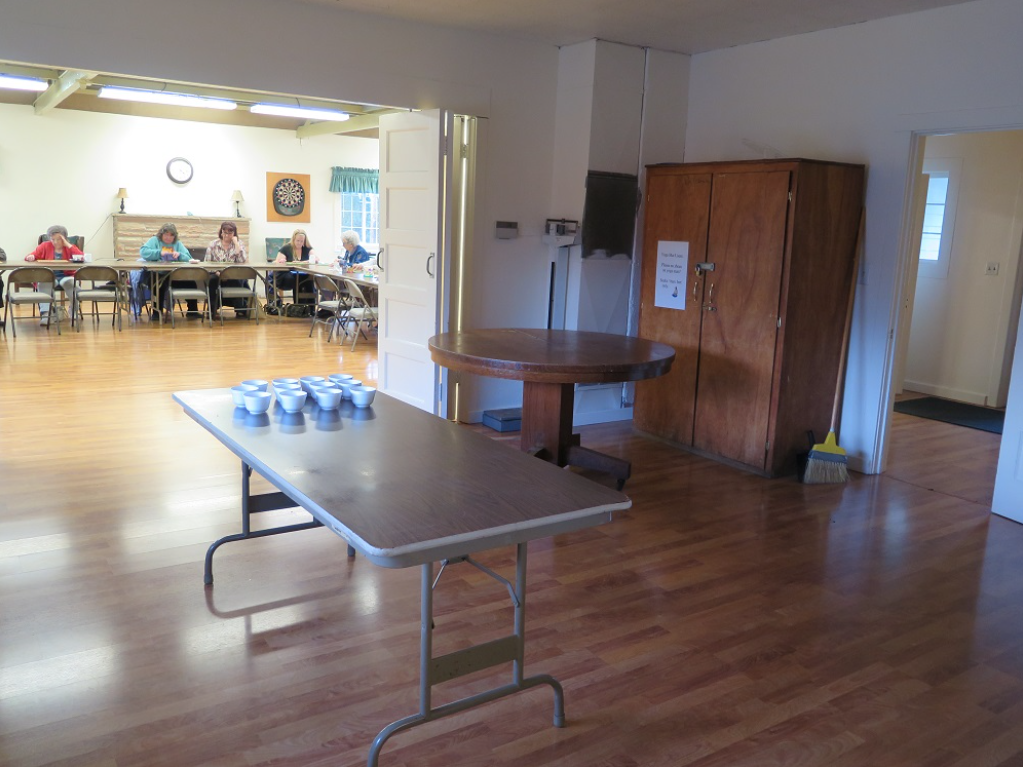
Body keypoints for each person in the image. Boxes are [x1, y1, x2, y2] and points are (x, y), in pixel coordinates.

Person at [25, 225, 84, 325]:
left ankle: (74, 310)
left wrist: (68, 245)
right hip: (50, 277)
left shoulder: (69, 247)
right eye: (53, 239)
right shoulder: (45, 246)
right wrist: (31, 257)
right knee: (43, 283)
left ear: (64, 238)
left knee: (71, 283)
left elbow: (82, 257)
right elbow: (30, 255)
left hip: (66, 276)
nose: (55, 242)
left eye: (59, 239)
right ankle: (46, 314)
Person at [140, 223, 198, 320]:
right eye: (166, 234)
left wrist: (179, 255)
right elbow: (143, 252)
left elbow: (189, 258)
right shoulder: (154, 241)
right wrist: (159, 253)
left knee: (191, 283)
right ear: (161, 234)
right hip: (157, 274)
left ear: (175, 236)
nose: (168, 237)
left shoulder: (178, 244)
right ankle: (156, 312)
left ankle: (192, 311)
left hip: (173, 275)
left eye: (171, 235)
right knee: (158, 286)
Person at [205, 221, 248, 320]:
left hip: (233, 274)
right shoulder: (213, 244)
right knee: (212, 280)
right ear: (221, 232)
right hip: (216, 273)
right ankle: (212, 311)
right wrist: (218, 273)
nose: (226, 235)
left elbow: (242, 261)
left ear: (234, 234)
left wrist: (236, 244)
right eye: (224, 232)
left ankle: (240, 310)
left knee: (240, 280)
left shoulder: (239, 244)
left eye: (229, 232)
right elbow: (207, 264)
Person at [267, 229, 314, 314]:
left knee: (310, 280)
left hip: (302, 275)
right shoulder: (286, 248)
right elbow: (278, 262)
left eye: (301, 241)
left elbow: (315, 259)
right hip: (287, 276)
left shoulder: (307, 248)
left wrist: (300, 263)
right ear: (293, 239)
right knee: (297, 279)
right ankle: (297, 306)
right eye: (297, 241)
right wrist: (283, 261)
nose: (299, 243)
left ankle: (309, 308)